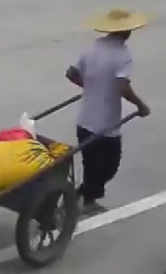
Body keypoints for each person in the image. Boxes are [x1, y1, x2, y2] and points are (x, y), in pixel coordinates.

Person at [65, 8, 151, 214]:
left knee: (91, 164)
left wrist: (90, 86)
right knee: (110, 166)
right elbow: (122, 86)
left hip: (84, 120)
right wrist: (140, 105)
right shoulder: (123, 55)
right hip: (106, 124)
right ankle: (87, 200)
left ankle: (83, 196)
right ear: (126, 31)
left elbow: (71, 73)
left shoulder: (94, 46)